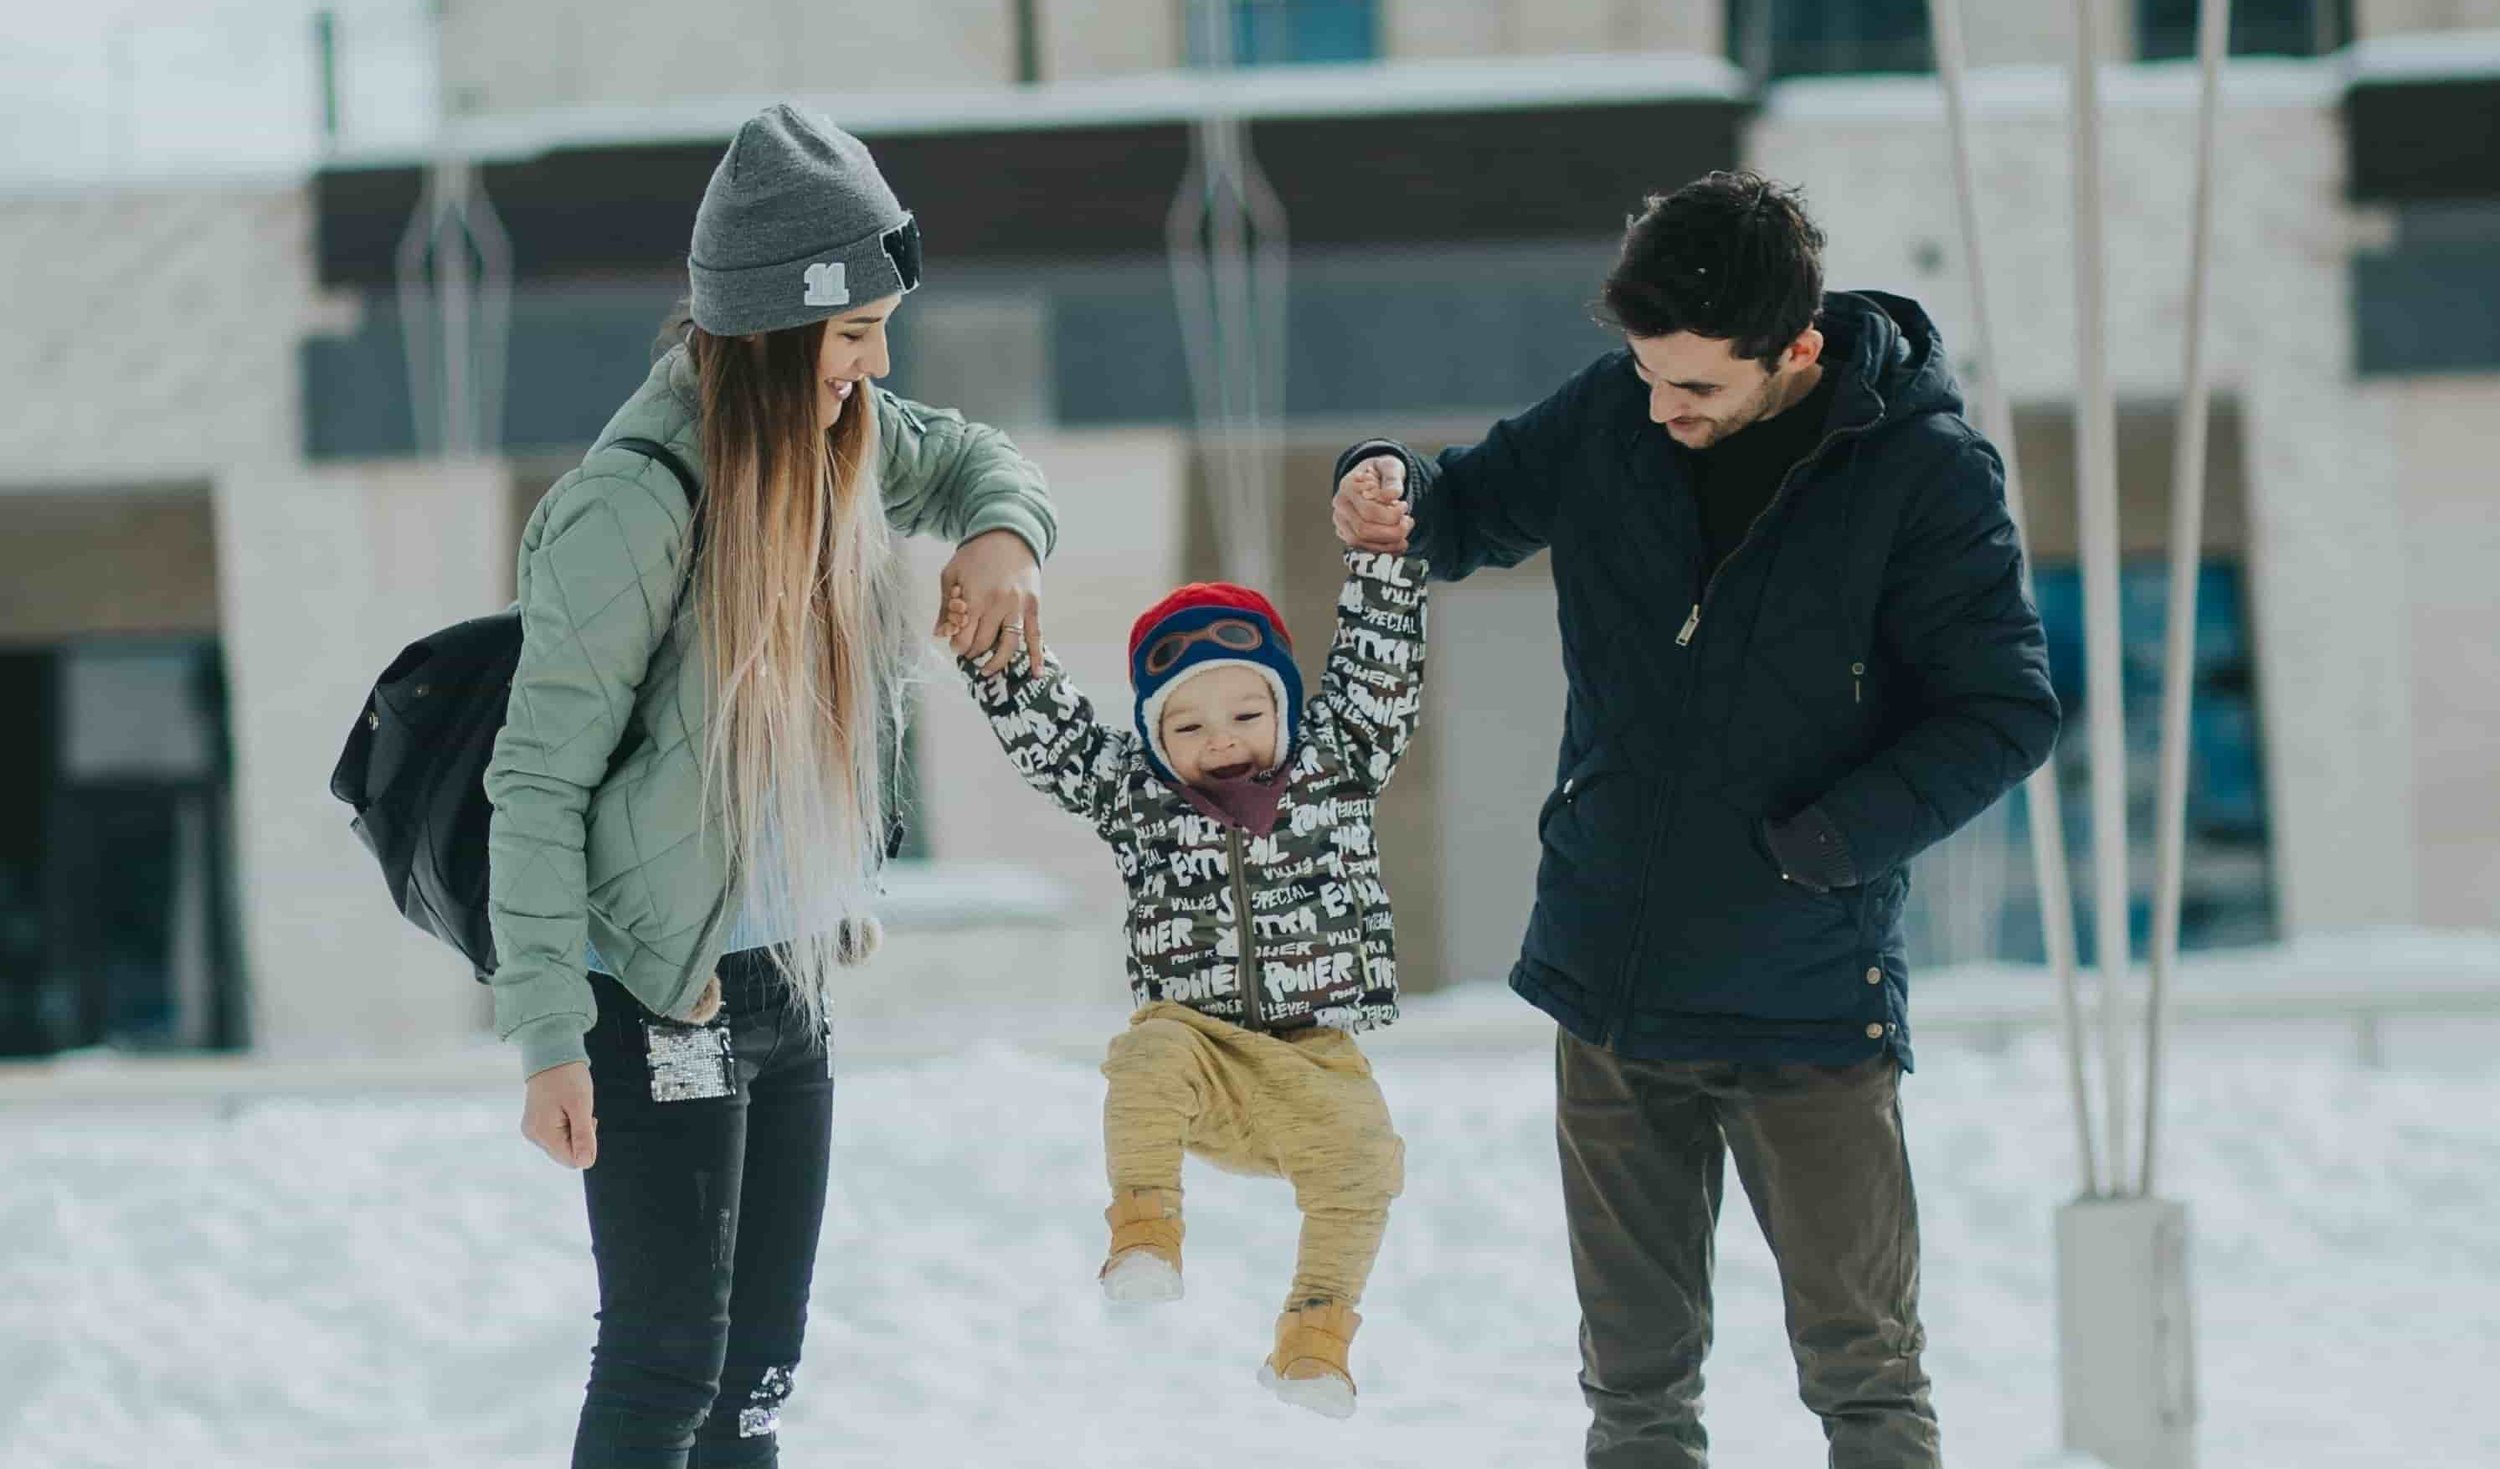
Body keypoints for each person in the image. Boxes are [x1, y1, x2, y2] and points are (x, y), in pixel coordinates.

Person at [1329, 171, 2060, 1468]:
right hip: (1611, 982)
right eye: (1646, 375)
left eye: (1696, 391)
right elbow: (1463, 509)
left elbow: (2005, 710)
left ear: (1798, 350)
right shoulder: (1619, 413)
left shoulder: (1922, 475)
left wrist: (1824, 850)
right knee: (1634, 1397)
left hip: (1808, 1000)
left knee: (1868, 1385)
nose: (1659, 411)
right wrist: (1384, 489)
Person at [484, 104, 1058, 1468]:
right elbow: (537, 781)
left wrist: (1000, 538)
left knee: (756, 1382)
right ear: (768, 329)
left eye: (879, 330)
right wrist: (550, 1034)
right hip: (664, 992)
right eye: (852, 333)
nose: (873, 365)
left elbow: (983, 459)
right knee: (665, 1367)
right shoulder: (634, 502)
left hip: (790, 976)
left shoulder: (843, 438)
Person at [946, 463, 1424, 1419]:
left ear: (1285, 708)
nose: (1222, 738)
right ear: (1156, 737)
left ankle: (1316, 1340)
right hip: (1200, 1054)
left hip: (1313, 1058)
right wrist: (993, 649)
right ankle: (1144, 1235)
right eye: (1188, 722)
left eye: (1247, 713)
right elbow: (1058, 732)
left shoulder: (1338, 766)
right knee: (1146, 1052)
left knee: (1367, 1160)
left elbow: (1375, 669)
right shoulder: (1138, 797)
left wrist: (1378, 558)